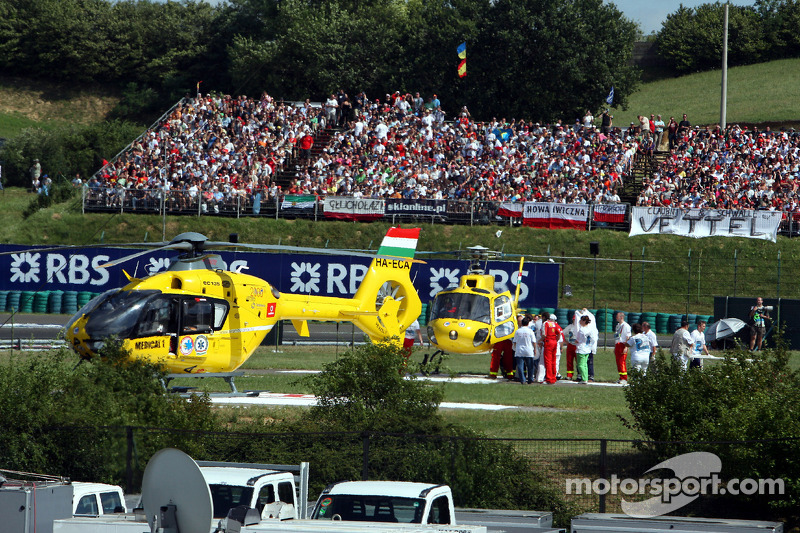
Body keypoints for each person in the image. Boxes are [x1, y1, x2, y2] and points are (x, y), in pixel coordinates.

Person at [513, 316, 537, 384]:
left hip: (519, 350)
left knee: (520, 366)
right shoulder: (530, 331)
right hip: (528, 350)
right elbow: (534, 342)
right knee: (530, 366)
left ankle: (522, 379)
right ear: (528, 324)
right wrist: (535, 349)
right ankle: (530, 379)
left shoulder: (518, 331)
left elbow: (514, 341)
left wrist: (515, 349)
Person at [541, 313, 563, 384]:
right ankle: (553, 377)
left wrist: (539, 340)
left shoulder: (546, 323)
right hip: (554, 342)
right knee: (553, 361)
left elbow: (544, 334)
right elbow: (559, 333)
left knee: (548, 361)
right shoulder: (554, 324)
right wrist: (556, 340)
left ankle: (549, 378)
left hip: (548, 342)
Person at [574, 314, 594, 383]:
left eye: (581, 320)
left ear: (584, 321)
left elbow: (578, 340)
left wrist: (575, 341)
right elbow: (592, 339)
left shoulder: (581, 330)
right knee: (585, 364)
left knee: (580, 365)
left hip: (581, 349)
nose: (579, 321)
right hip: (587, 348)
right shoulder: (590, 329)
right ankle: (585, 377)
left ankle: (584, 378)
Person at [613, 312, 631, 383]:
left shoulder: (626, 326)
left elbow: (628, 337)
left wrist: (626, 347)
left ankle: (624, 378)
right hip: (618, 344)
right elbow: (617, 336)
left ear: (621, 317)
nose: (616, 318)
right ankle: (620, 377)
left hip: (623, 345)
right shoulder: (618, 325)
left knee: (622, 362)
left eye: (617, 317)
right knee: (618, 362)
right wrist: (615, 347)